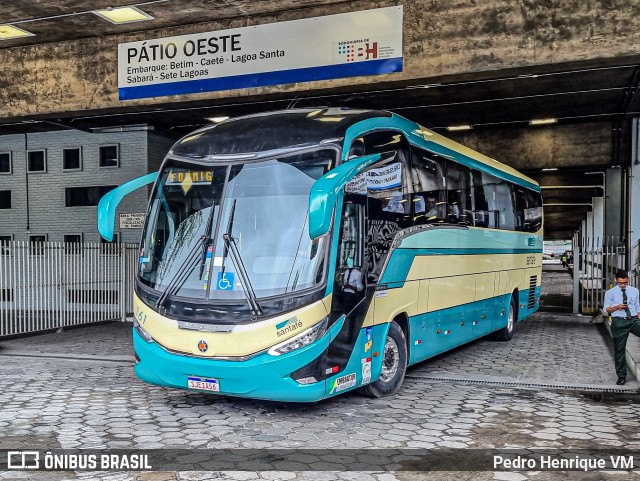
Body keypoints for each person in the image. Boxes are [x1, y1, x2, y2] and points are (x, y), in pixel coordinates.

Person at [602, 269, 640, 385]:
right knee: (619, 350)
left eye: (625, 283)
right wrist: (617, 307)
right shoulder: (610, 293)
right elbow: (606, 310)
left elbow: (637, 306)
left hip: (633, 320)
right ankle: (621, 376)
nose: (623, 285)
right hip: (618, 322)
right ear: (616, 280)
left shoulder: (634, 291)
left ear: (628, 280)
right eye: (620, 283)